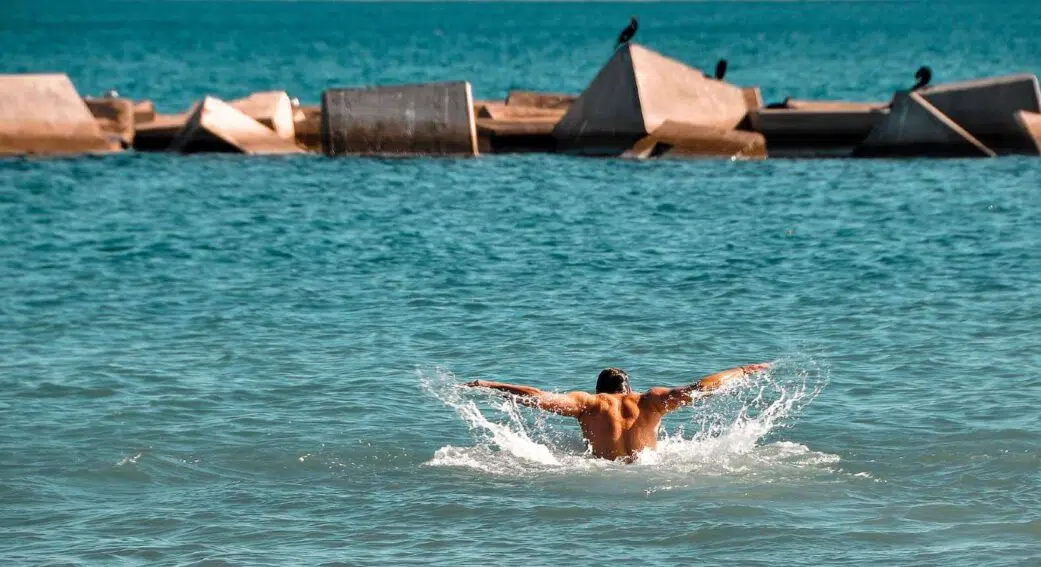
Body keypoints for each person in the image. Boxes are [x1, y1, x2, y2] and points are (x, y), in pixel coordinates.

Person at [465, 362, 772, 462]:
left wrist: (489, 384)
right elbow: (698, 388)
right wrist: (742, 371)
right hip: (650, 470)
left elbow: (537, 397)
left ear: (600, 390)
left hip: (602, 472)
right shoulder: (651, 400)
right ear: (628, 389)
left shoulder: (589, 403)